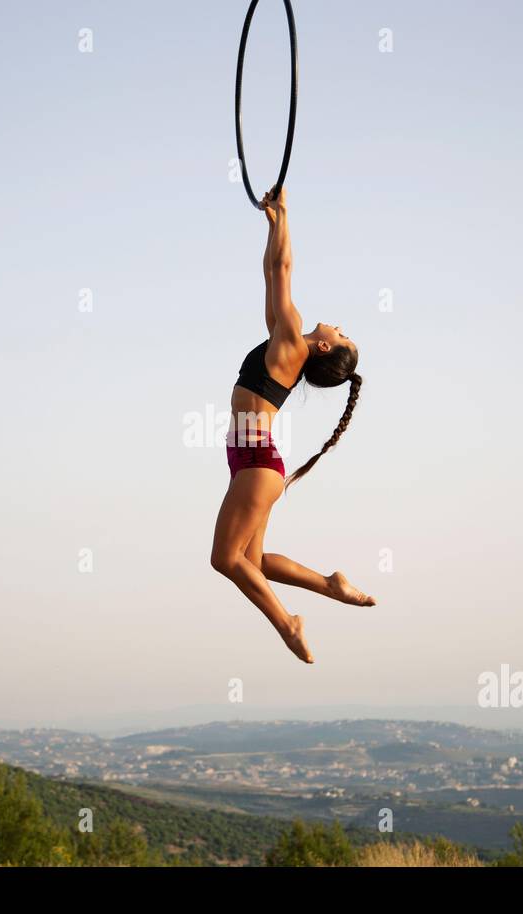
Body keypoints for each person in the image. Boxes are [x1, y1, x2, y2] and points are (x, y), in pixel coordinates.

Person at [209, 187, 374, 664]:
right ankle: (330, 584)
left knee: (225, 560)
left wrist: (284, 215)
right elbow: (270, 272)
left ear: (325, 349)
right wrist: (272, 222)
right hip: (254, 464)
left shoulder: (292, 343)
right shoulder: (283, 341)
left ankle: (288, 624)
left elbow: (282, 271)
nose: (336, 325)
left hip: (257, 464)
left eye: (341, 335)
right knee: (253, 563)